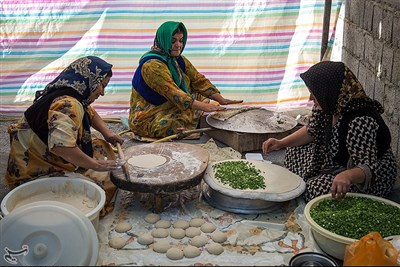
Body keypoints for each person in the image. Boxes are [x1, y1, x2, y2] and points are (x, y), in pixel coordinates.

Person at [262, 61, 397, 202]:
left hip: (370, 175)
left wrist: (347, 176)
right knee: (293, 151)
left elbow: (368, 168)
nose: (311, 98)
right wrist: (280, 143)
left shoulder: (360, 120)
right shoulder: (329, 103)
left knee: (314, 189)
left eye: (314, 93)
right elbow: (311, 131)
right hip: (340, 159)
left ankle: (328, 179)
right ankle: (324, 174)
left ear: (329, 90)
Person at [5, 56, 124, 216]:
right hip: (31, 170)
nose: (102, 92)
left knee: (101, 146)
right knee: (99, 188)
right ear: (90, 79)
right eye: (102, 86)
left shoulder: (70, 91)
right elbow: (61, 147)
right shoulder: (68, 104)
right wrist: (95, 165)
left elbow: (90, 111)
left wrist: (107, 133)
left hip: (42, 152)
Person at [129, 21, 243, 138]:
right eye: (173, 41)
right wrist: (205, 107)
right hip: (151, 113)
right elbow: (173, 93)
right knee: (170, 125)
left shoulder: (178, 59)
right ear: (163, 40)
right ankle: (186, 129)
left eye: (181, 40)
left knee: (200, 97)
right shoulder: (151, 65)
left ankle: (189, 123)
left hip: (173, 104)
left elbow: (198, 80)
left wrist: (221, 100)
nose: (178, 45)